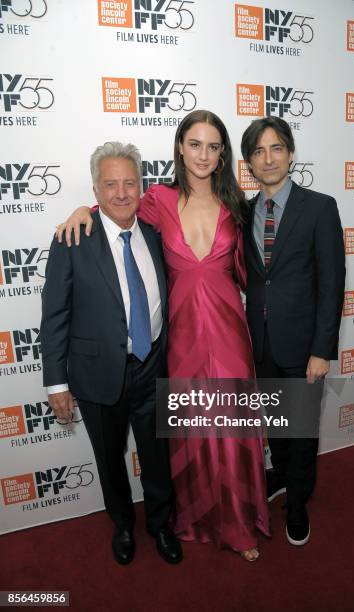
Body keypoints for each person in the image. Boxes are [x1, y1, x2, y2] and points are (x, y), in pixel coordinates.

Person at [55, 110, 270, 561]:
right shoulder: (157, 200)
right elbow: (118, 208)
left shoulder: (237, 204)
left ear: (223, 153)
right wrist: (83, 209)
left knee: (229, 426)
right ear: (179, 147)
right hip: (181, 337)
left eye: (213, 146)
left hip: (229, 330)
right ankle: (190, 519)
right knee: (189, 432)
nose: (204, 155)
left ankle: (236, 522)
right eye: (195, 144)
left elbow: (254, 273)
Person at [40, 142, 182, 566]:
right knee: (109, 460)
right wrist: (56, 382)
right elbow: (55, 315)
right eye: (110, 185)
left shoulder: (157, 235)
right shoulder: (71, 237)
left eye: (129, 183)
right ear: (95, 190)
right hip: (96, 373)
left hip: (153, 365)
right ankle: (122, 524)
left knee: (158, 455)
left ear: (142, 186)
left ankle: (161, 523)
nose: (121, 193)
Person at [241, 116, 346, 546]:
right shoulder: (242, 211)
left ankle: (299, 502)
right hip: (259, 344)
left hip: (304, 348)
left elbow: (331, 283)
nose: (268, 159)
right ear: (249, 161)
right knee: (276, 424)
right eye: (259, 151)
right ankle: (282, 475)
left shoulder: (320, 207)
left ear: (290, 153)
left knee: (301, 429)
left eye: (276, 148)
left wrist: (322, 349)